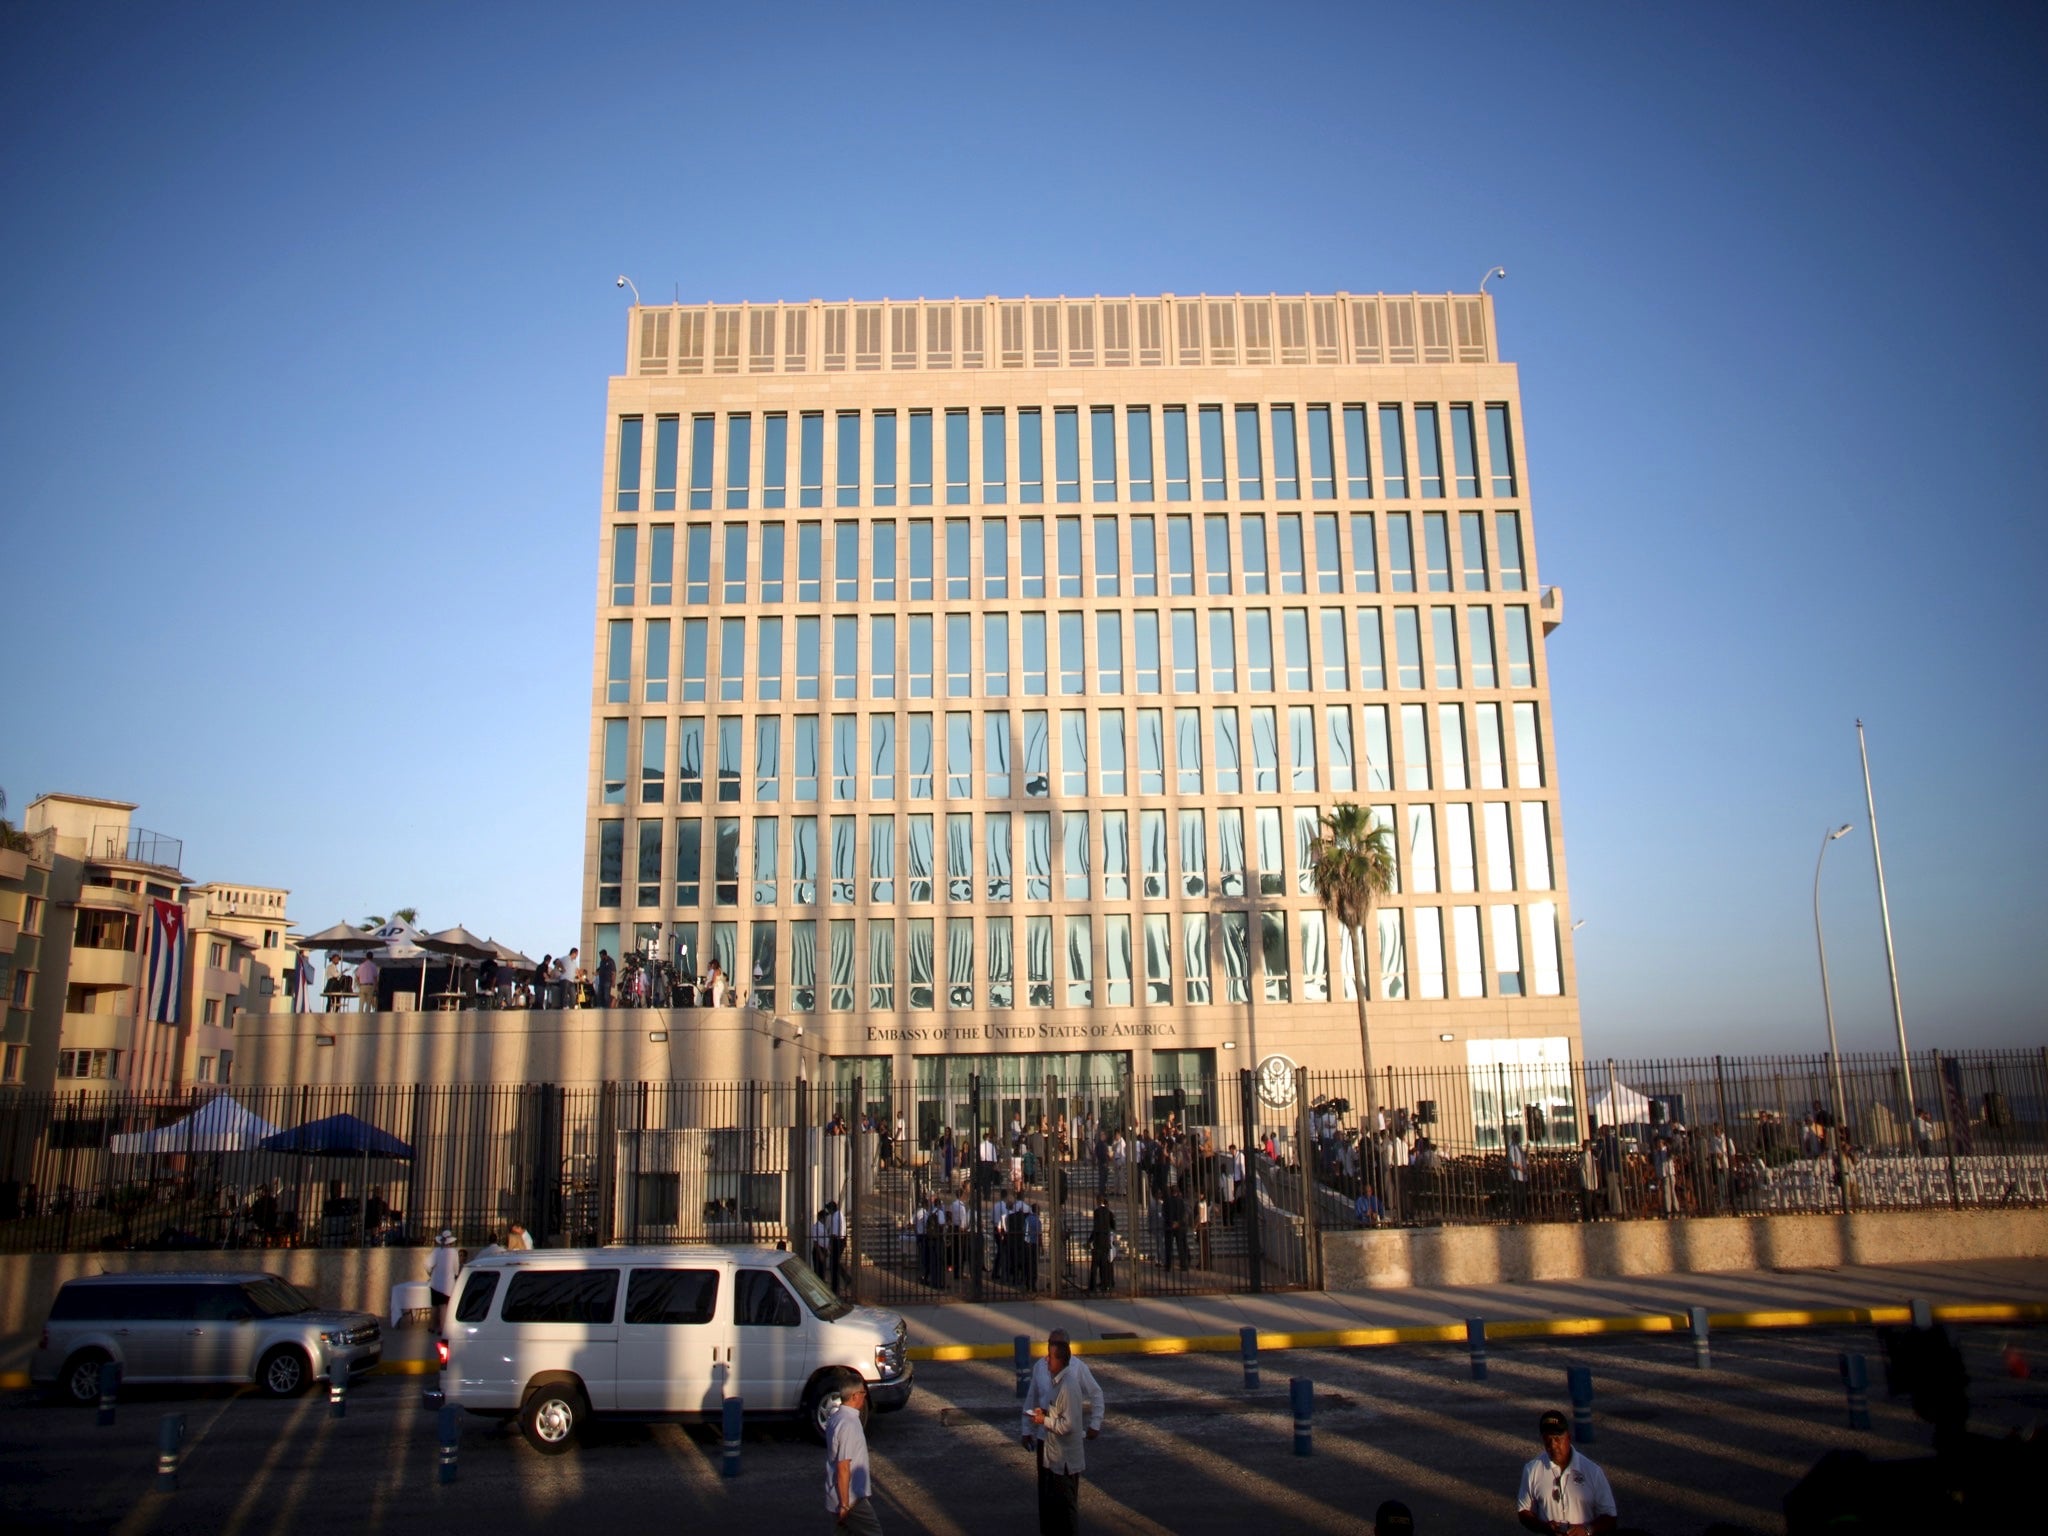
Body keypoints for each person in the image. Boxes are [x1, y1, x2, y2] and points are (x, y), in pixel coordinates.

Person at [1022, 1330, 1102, 1536]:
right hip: (1047, 1444)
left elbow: (1068, 1424)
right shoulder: (1043, 1368)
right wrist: (1030, 1426)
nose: (1047, 1358)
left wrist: (1095, 1422)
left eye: (1054, 1350)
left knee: (1065, 1506)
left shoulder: (1071, 1379)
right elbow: (1034, 1398)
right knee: (1048, 1499)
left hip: (1064, 1454)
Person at [1516, 1408, 1617, 1536]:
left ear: (1568, 1437)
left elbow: (1610, 1517)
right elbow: (1523, 1511)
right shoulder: (1532, 1470)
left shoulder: (1592, 1471)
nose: (1553, 1445)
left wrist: (1586, 1530)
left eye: (1557, 1439)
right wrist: (1545, 1527)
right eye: (1548, 1440)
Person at [824, 1378, 881, 1532]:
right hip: (851, 1499)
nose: (865, 1396)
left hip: (838, 1496)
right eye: (863, 1392)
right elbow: (843, 1466)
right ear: (855, 1396)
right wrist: (845, 1505)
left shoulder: (836, 1418)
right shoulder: (849, 1424)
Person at [1087, 1193, 1116, 1293]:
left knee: (1094, 1265)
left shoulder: (1097, 1212)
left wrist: (1090, 1240)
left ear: (1098, 1201)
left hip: (1098, 1241)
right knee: (1104, 1265)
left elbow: (1096, 1228)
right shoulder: (1109, 1212)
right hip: (1106, 1241)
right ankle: (1105, 1285)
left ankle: (1092, 1286)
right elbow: (1113, 1226)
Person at [429, 1229, 461, 1315]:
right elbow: (456, 1269)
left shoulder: (436, 1251)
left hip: (435, 1284)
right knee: (444, 1307)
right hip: (447, 1285)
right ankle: (442, 1327)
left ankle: (432, 1326)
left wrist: (430, 1273)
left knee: (435, 1306)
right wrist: (456, 1274)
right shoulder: (454, 1252)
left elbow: (427, 1264)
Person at [827, 1200, 847, 1290]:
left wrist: (830, 1244)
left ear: (832, 1209)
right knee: (835, 1262)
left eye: (828, 1208)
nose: (828, 1211)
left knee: (833, 1264)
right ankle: (846, 1278)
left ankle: (835, 1286)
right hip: (842, 1240)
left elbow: (834, 1234)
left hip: (837, 1241)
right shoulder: (840, 1214)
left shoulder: (835, 1217)